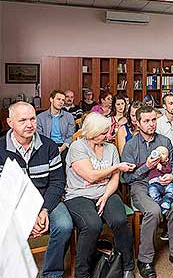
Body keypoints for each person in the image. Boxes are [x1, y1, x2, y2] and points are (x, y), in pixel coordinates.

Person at [0, 102, 73, 278]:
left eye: (32, 119)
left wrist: (44, 210)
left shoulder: (49, 146)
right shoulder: (0, 148)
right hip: (12, 202)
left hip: (46, 199)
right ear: (10, 122)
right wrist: (26, 215)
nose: (29, 124)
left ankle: (52, 273)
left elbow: (57, 182)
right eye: (22, 120)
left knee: (64, 225)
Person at [64, 112, 135, 278]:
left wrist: (105, 196)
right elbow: (90, 175)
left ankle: (127, 266)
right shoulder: (77, 147)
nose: (108, 135)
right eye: (104, 132)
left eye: (108, 131)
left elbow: (115, 179)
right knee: (92, 225)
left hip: (106, 192)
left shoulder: (110, 148)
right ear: (91, 132)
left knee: (120, 220)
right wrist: (116, 167)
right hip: (79, 194)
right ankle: (82, 273)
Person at [122, 105, 173, 277]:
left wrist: (171, 176)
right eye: (146, 121)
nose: (151, 124)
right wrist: (146, 167)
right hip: (141, 185)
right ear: (137, 123)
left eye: (153, 120)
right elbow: (127, 179)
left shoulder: (164, 141)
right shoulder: (130, 146)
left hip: (164, 184)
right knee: (153, 211)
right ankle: (145, 259)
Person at [37, 90, 75, 163]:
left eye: (63, 100)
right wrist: (50, 148)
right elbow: (39, 136)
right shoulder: (40, 117)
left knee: (67, 161)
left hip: (63, 146)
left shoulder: (69, 116)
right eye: (58, 99)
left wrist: (61, 148)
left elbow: (70, 136)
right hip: (47, 146)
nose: (61, 102)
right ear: (51, 99)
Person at [146, 146, 173, 216]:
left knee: (172, 190)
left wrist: (162, 168)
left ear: (166, 159)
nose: (159, 155)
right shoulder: (151, 162)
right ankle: (162, 206)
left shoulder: (166, 164)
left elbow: (169, 170)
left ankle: (167, 201)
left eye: (163, 154)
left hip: (166, 183)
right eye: (158, 152)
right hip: (154, 184)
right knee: (152, 192)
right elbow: (144, 166)